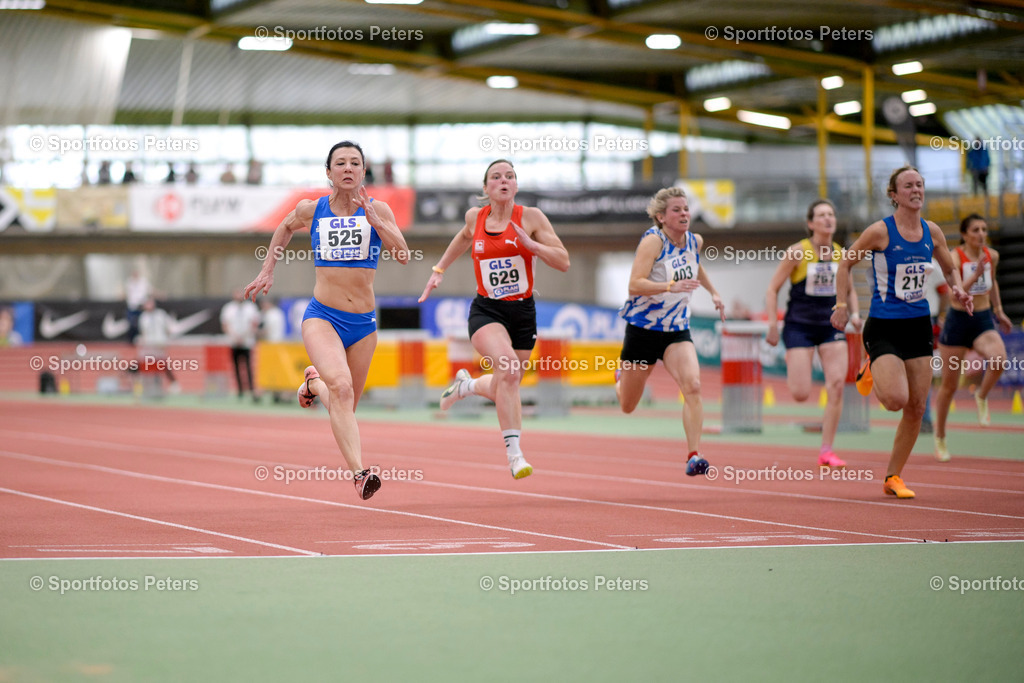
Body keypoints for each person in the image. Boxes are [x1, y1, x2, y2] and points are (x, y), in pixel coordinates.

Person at [244, 141, 410, 500]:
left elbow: (404, 256)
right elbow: (284, 227)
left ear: (364, 172)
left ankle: (311, 385)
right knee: (343, 388)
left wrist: (378, 223)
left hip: (363, 323)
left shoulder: (378, 209)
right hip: (323, 316)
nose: (348, 168)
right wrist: (268, 269)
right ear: (329, 171)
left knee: (344, 405)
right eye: (341, 163)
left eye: (355, 163)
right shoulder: (313, 209)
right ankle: (360, 474)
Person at [418, 159, 570, 480]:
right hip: (486, 310)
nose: (504, 181)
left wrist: (532, 245)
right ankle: (515, 455)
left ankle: (467, 385)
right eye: (496, 177)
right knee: (509, 370)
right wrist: (438, 271)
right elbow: (462, 238)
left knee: (508, 381)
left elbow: (564, 262)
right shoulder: (476, 217)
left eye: (510, 176)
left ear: (516, 185)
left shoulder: (531, 218)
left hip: (523, 312)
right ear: (486, 189)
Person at [831, 166, 973, 499]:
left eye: (920, 184)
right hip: (883, 325)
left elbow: (949, 265)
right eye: (908, 185)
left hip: (918, 326)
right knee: (895, 400)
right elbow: (845, 263)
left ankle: (893, 476)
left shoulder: (932, 231)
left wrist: (958, 289)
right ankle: (871, 365)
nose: (916, 190)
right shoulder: (880, 232)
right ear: (894, 194)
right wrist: (840, 303)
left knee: (917, 407)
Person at [614, 186, 725, 476]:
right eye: (677, 210)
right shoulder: (653, 242)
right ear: (661, 217)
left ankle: (694, 455)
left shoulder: (694, 241)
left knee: (694, 386)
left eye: (686, 208)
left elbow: (695, 267)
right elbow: (634, 284)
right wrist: (668, 286)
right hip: (643, 330)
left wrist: (713, 292)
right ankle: (620, 379)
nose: (684, 214)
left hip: (676, 330)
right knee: (627, 405)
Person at [766, 199, 862, 468]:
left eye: (831, 214)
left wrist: (854, 314)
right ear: (811, 223)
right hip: (799, 326)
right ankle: (796, 363)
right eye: (821, 215)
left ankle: (826, 450)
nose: (828, 219)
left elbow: (851, 290)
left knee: (836, 386)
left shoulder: (842, 254)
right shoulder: (798, 252)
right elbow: (772, 289)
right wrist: (773, 324)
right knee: (800, 393)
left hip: (832, 326)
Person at [933, 214, 1014, 461]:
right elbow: (956, 295)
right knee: (949, 386)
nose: (981, 234)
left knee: (999, 359)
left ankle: (981, 395)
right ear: (965, 234)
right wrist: (976, 273)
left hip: (981, 319)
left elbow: (994, 283)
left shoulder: (993, 256)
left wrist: (999, 312)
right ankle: (940, 438)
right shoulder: (956, 257)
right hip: (957, 323)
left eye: (984, 229)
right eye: (976, 230)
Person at [220, 289, 261, 401]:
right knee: (236, 366)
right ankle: (240, 390)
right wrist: (235, 337)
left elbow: (254, 324)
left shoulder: (251, 307)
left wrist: (244, 336)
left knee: (248, 367)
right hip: (233, 342)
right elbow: (225, 325)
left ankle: (252, 389)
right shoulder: (228, 308)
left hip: (247, 342)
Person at [136, 297, 179, 392]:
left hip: (160, 343)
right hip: (149, 345)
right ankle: (141, 384)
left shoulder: (161, 314)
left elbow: (168, 328)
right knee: (144, 364)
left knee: (162, 364)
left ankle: (173, 384)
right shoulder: (143, 317)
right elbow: (143, 332)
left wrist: (166, 341)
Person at [124, 267, 152, 344]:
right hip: (132, 307)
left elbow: (150, 291)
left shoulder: (144, 281)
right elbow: (126, 294)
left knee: (143, 324)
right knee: (132, 324)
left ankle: (144, 339)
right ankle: (131, 341)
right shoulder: (129, 282)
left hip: (141, 307)